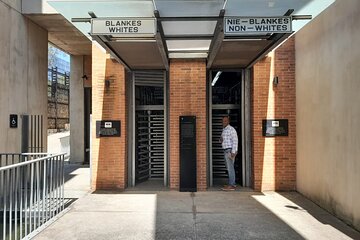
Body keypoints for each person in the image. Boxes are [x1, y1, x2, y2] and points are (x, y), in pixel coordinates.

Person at [220, 116, 238, 191]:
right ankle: (231, 183)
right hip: (226, 151)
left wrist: (233, 152)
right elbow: (223, 140)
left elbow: (235, 140)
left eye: (225, 121)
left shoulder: (231, 129)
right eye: (223, 121)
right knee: (228, 168)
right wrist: (221, 140)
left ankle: (232, 185)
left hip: (229, 151)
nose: (223, 122)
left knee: (230, 169)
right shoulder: (224, 130)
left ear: (228, 121)